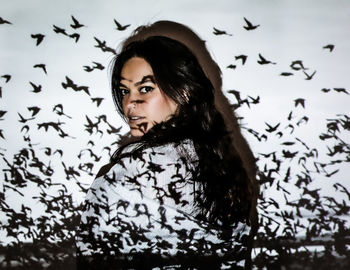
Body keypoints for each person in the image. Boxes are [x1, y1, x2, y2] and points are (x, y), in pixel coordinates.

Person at [76, 21, 258, 269]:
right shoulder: (225, 170)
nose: (130, 102)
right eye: (124, 91)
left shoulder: (128, 173)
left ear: (182, 91)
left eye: (145, 88)